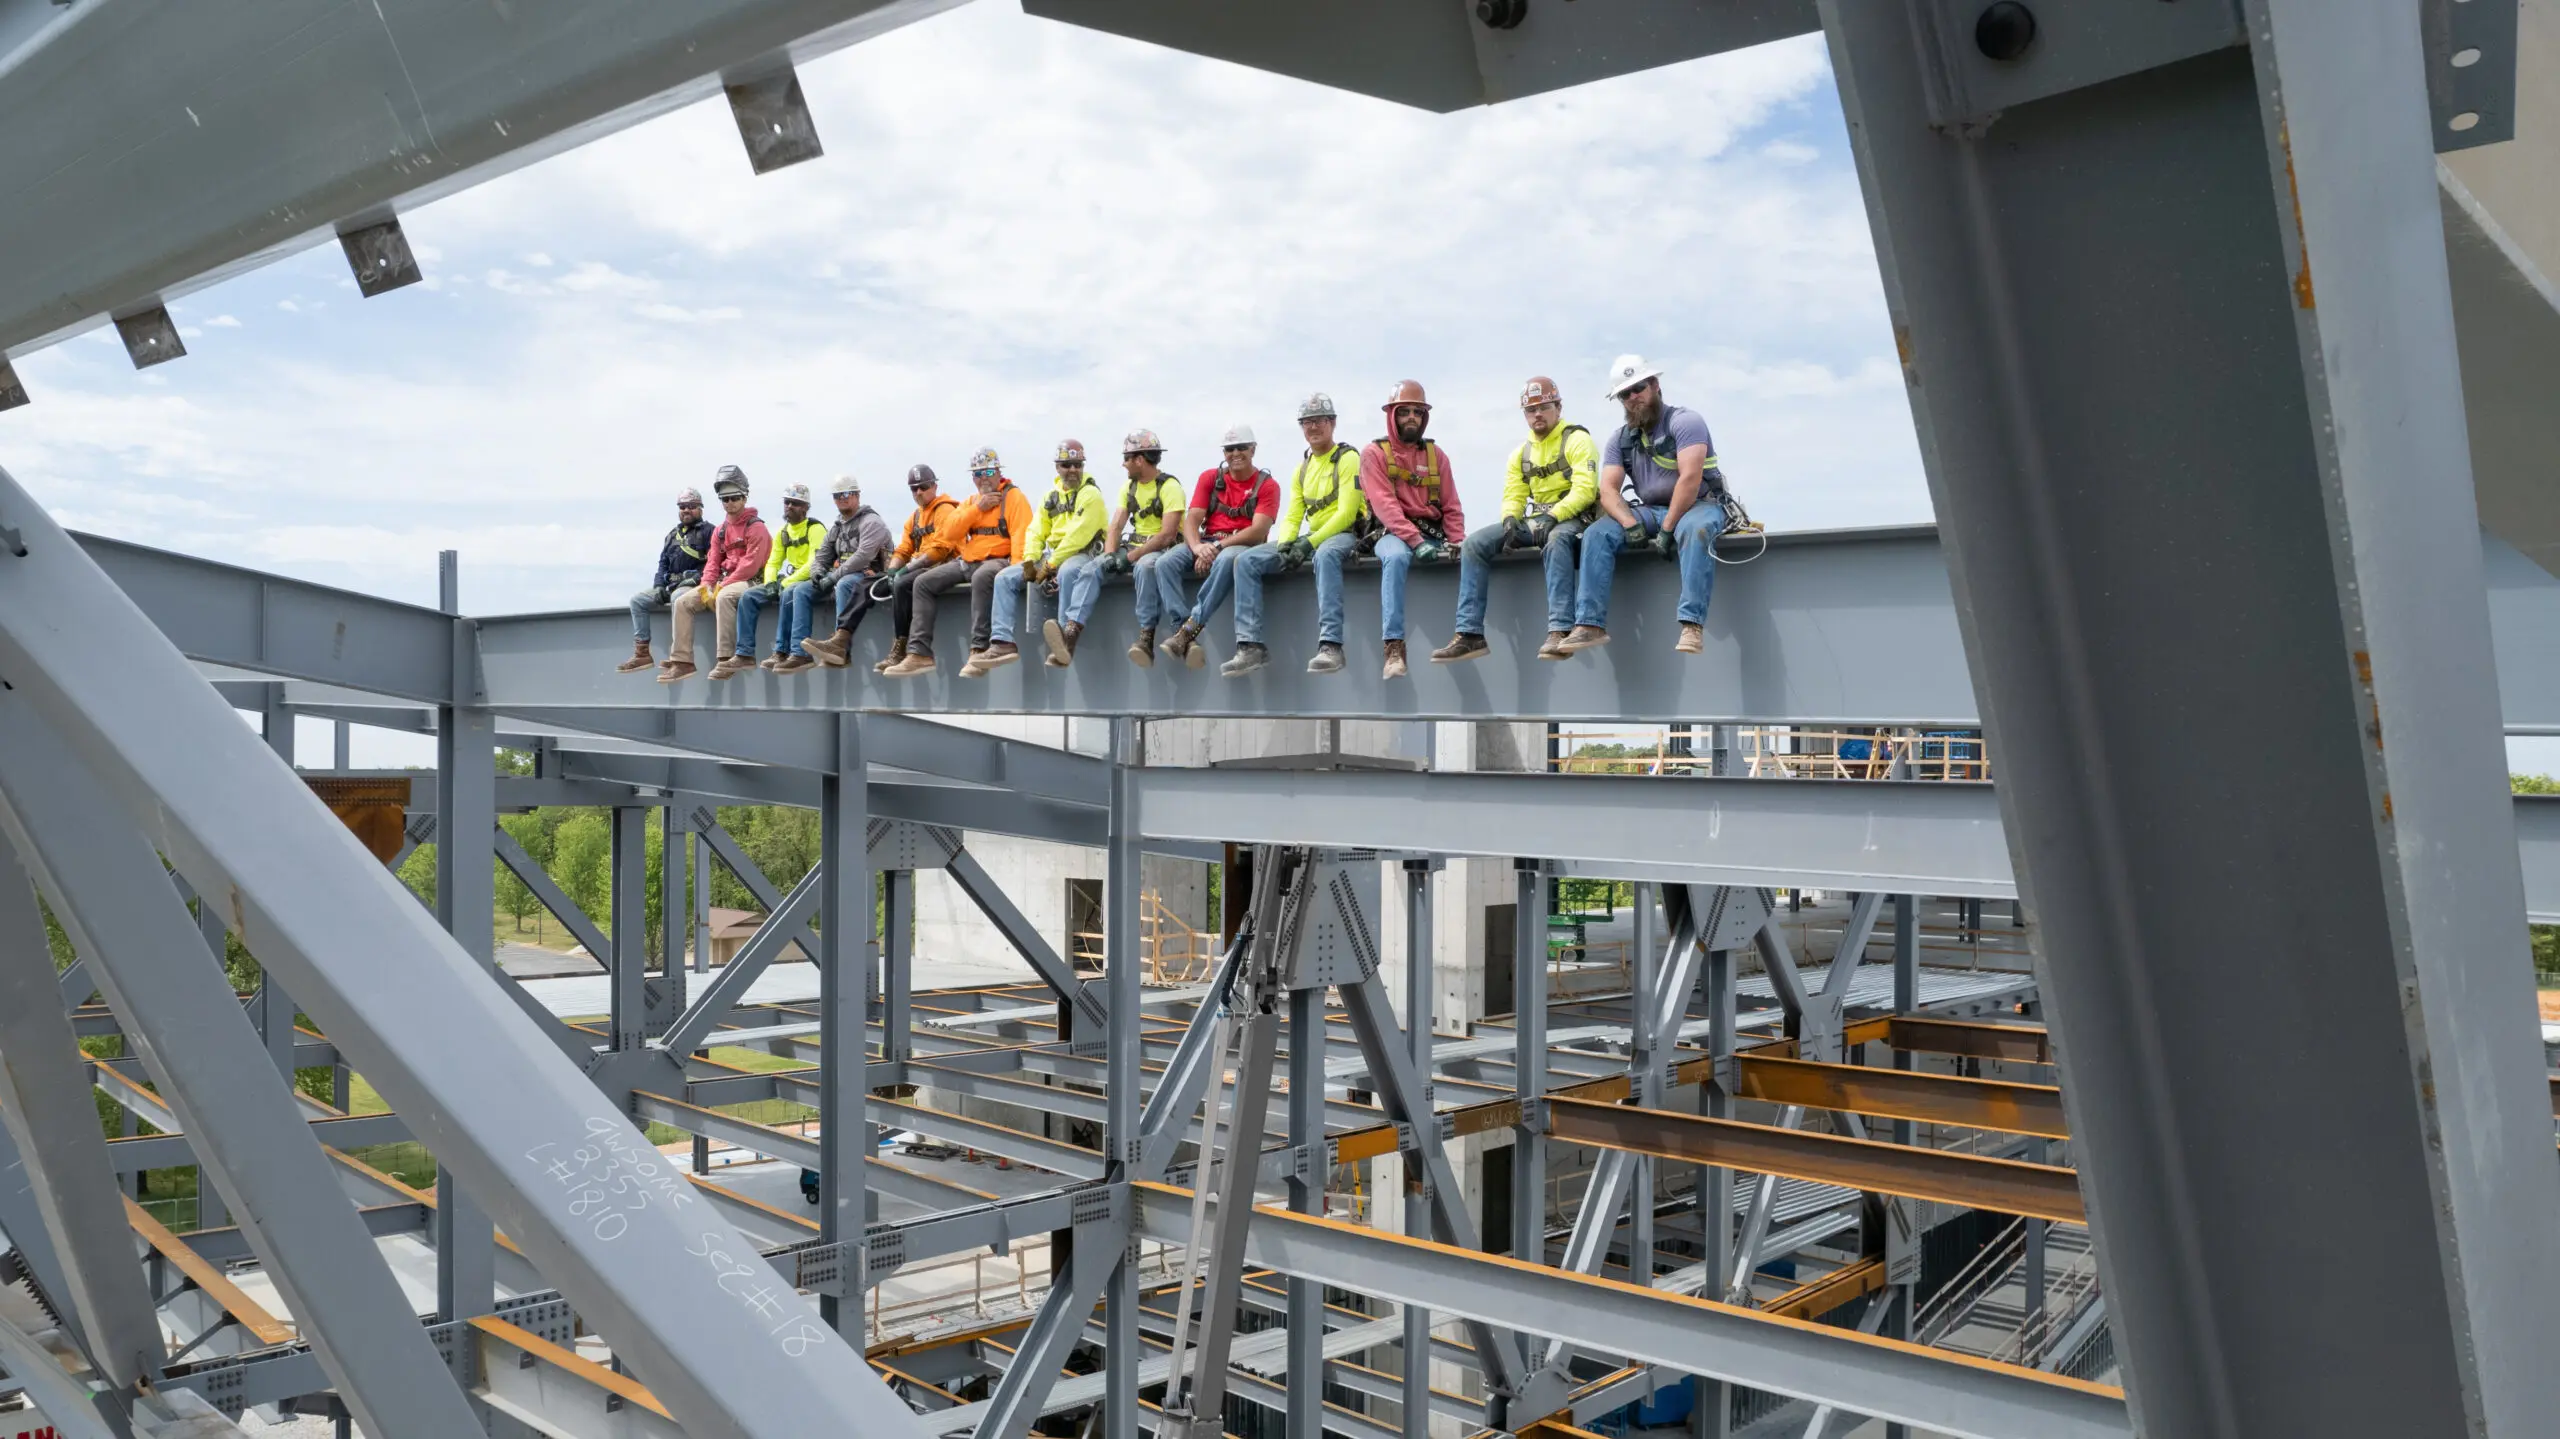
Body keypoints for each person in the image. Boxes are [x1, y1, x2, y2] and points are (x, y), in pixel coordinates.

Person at [1564, 354, 1733, 657]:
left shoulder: (1685, 422)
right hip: (1650, 509)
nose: (1633, 397)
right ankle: (1589, 624)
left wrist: (1668, 528)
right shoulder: (1620, 439)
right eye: (1625, 394)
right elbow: (1608, 490)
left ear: (1655, 385)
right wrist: (1630, 524)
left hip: (1697, 504)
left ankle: (1691, 624)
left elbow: (1690, 478)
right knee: (1597, 533)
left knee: (1696, 530)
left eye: (1638, 388)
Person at [1434, 376, 1600, 663]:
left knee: (1558, 538)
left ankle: (1560, 629)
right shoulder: (1520, 454)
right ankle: (1470, 633)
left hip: (1573, 517)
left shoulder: (1577, 440)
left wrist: (1554, 516)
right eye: (1530, 409)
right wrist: (1510, 520)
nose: (1537, 414)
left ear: (1558, 408)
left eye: (1544, 407)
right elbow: (1514, 494)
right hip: (1538, 519)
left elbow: (1585, 490)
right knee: (1474, 544)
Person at [1223, 393, 1365, 678]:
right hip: (1312, 536)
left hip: (1345, 534)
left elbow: (1347, 513)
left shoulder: (1348, 458)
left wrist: (1308, 543)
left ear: (1332, 423)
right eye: (1307, 422)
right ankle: (1250, 645)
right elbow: (1293, 515)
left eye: (1319, 421)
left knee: (1326, 555)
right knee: (1246, 562)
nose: (1313, 427)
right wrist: (1288, 544)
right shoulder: (1302, 470)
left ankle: (1331, 645)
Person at [885, 449, 1031, 678]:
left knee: (982, 577)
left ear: (999, 473)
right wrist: (977, 509)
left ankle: (978, 650)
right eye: (978, 473)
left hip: (1000, 561)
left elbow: (1022, 535)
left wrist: (1016, 570)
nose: (983, 478)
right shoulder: (972, 502)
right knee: (922, 582)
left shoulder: (1013, 498)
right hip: (969, 560)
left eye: (989, 471)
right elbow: (950, 532)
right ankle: (919, 653)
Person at [971, 440, 1109, 675]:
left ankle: (1066, 639)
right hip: (1052, 555)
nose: (1073, 470)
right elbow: (1036, 531)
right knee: (1004, 577)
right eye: (1067, 465)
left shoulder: (1091, 495)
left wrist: (1050, 565)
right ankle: (1002, 642)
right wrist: (1028, 562)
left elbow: (1078, 536)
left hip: (1082, 553)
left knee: (1068, 572)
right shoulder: (1050, 497)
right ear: (1058, 467)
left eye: (1077, 464)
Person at [1359, 380, 1464, 680]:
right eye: (1404, 412)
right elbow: (1385, 506)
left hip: (1432, 534)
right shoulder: (1374, 454)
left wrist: (1457, 542)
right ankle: (1393, 647)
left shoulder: (1436, 456)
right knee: (1395, 559)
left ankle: (1466, 633)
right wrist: (1416, 541)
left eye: (1417, 413)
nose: (1411, 418)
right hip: (1391, 533)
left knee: (1469, 557)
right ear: (1392, 415)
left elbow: (1451, 506)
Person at [1159, 426, 1280, 671]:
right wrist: (1196, 547)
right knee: (1165, 563)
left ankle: (1190, 628)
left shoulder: (1267, 486)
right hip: (1208, 542)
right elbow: (1191, 520)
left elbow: (1258, 530)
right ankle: (1182, 632)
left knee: (1227, 560)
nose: (1235, 453)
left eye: (1241, 448)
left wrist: (1216, 547)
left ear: (1253, 450)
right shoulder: (1210, 479)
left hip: (1241, 546)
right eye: (1229, 449)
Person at [661, 467, 769, 683]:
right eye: (725, 499)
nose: (729, 503)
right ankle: (682, 661)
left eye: (734, 498)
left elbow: (750, 564)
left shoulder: (756, 528)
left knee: (725, 597)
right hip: (724, 581)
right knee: (683, 603)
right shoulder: (720, 530)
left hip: (750, 581)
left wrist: (723, 584)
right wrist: (707, 584)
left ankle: (725, 658)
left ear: (744, 497)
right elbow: (712, 562)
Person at [1105, 430, 1188, 666]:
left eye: (1127, 458)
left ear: (1140, 459)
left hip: (1164, 548)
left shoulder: (1170, 487)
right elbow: (1115, 526)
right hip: (1137, 547)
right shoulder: (1129, 488)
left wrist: (1131, 556)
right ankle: (1071, 628)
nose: (1124, 464)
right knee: (1098, 567)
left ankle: (1148, 635)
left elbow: (1167, 535)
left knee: (1145, 566)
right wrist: (1110, 558)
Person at [869, 465, 960, 675]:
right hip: (921, 566)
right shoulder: (915, 518)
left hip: (945, 564)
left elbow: (941, 548)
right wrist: (892, 570)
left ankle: (902, 646)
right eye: (914, 488)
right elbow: (903, 549)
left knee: (903, 584)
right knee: (887, 583)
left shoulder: (945, 510)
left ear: (934, 486)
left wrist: (905, 570)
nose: (919, 492)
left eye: (923, 486)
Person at [795, 474, 892, 669]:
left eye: (847, 493)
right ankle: (798, 654)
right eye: (837, 495)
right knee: (800, 591)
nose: (842, 498)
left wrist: (833, 577)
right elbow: (822, 555)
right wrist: (817, 573)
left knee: (844, 584)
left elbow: (863, 556)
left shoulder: (871, 521)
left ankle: (840, 649)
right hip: (841, 576)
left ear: (857, 495)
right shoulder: (837, 527)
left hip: (871, 576)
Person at [620, 487, 713, 673]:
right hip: (670, 584)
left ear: (700, 509)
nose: (686, 510)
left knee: (678, 599)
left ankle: (678, 656)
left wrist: (696, 578)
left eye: (691, 506)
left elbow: (714, 561)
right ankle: (642, 653)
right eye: (682, 506)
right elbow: (663, 562)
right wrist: (659, 585)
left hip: (693, 586)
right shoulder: (672, 535)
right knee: (637, 601)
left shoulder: (709, 532)